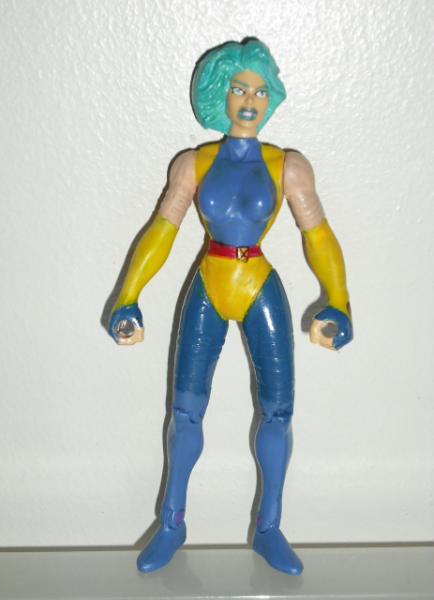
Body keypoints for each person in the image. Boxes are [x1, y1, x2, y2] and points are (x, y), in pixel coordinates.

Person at [109, 38, 352, 575]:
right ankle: (172, 523)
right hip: (210, 282)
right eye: (240, 89)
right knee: (185, 413)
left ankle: (269, 528)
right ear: (220, 94)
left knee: (279, 412)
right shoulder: (194, 163)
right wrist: (129, 296)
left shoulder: (288, 165)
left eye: (261, 91)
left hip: (258, 282)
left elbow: (318, 235)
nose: (250, 101)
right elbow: (162, 231)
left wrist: (339, 300)